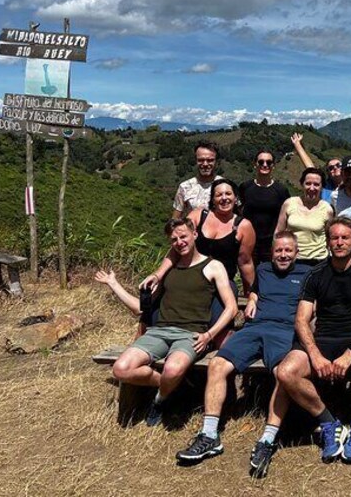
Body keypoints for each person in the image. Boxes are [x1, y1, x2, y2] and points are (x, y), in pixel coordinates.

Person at [175, 232, 311, 477]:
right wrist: (252, 298)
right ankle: (209, 435)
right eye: (278, 250)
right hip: (254, 328)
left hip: (285, 331)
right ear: (272, 252)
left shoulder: (307, 274)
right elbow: (256, 291)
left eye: (288, 251)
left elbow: (314, 307)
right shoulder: (264, 270)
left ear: (297, 253)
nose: (283, 255)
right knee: (217, 364)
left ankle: (268, 439)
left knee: (283, 373)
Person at [95, 218, 238, 426]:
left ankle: (159, 399)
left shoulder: (213, 266)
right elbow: (139, 308)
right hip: (158, 332)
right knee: (121, 369)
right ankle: (175, 387)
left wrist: (209, 335)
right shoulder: (166, 272)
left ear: (194, 235)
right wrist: (113, 284)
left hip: (191, 334)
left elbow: (232, 308)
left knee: (172, 369)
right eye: (174, 239)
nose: (179, 242)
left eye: (183, 236)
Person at [275, 216, 351, 464]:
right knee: (286, 372)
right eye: (334, 238)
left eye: (345, 238)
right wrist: (315, 354)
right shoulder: (315, 274)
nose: (339, 242)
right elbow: (301, 320)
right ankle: (328, 422)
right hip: (323, 339)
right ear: (327, 242)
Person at [142, 180, 255, 327]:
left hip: (222, 282)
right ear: (212, 199)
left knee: (217, 321)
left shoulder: (243, 226)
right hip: (188, 276)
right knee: (154, 313)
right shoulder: (199, 215)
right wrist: (158, 275)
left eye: (228, 194)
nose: (224, 198)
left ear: (236, 198)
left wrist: (251, 294)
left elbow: (245, 262)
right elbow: (178, 245)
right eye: (219, 195)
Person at [240, 150, 291, 265]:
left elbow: (287, 216)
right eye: (261, 162)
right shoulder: (245, 187)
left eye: (269, 162)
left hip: (272, 243)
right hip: (249, 242)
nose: (265, 165)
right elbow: (239, 211)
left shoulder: (281, 190)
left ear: (273, 166)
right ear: (255, 164)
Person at [274, 167, 334, 265]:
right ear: (302, 184)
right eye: (308, 183)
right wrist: (276, 254)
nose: (312, 188)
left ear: (322, 187)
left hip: (317, 261)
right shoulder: (289, 203)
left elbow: (329, 237)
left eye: (316, 184)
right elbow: (279, 232)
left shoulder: (327, 209)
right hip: (291, 260)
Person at [172, 141, 222, 218]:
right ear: (196, 161)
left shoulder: (226, 185)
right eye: (201, 160)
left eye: (210, 160)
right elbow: (175, 220)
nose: (205, 164)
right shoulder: (184, 187)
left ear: (217, 161)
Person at [291, 132, 342, 202]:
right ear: (328, 173)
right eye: (331, 168)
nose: (335, 168)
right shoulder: (324, 187)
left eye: (338, 165)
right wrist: (297, 144)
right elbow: (310, 168)